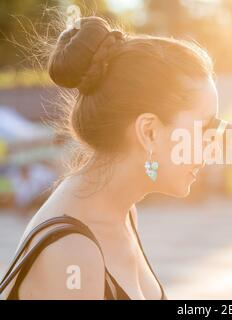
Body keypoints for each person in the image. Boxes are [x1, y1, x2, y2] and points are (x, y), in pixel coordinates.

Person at [0, 16, 217, 300]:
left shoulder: (122, 213)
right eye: (204, 128)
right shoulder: (72, 253)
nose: (211, 146)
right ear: (149, 132)